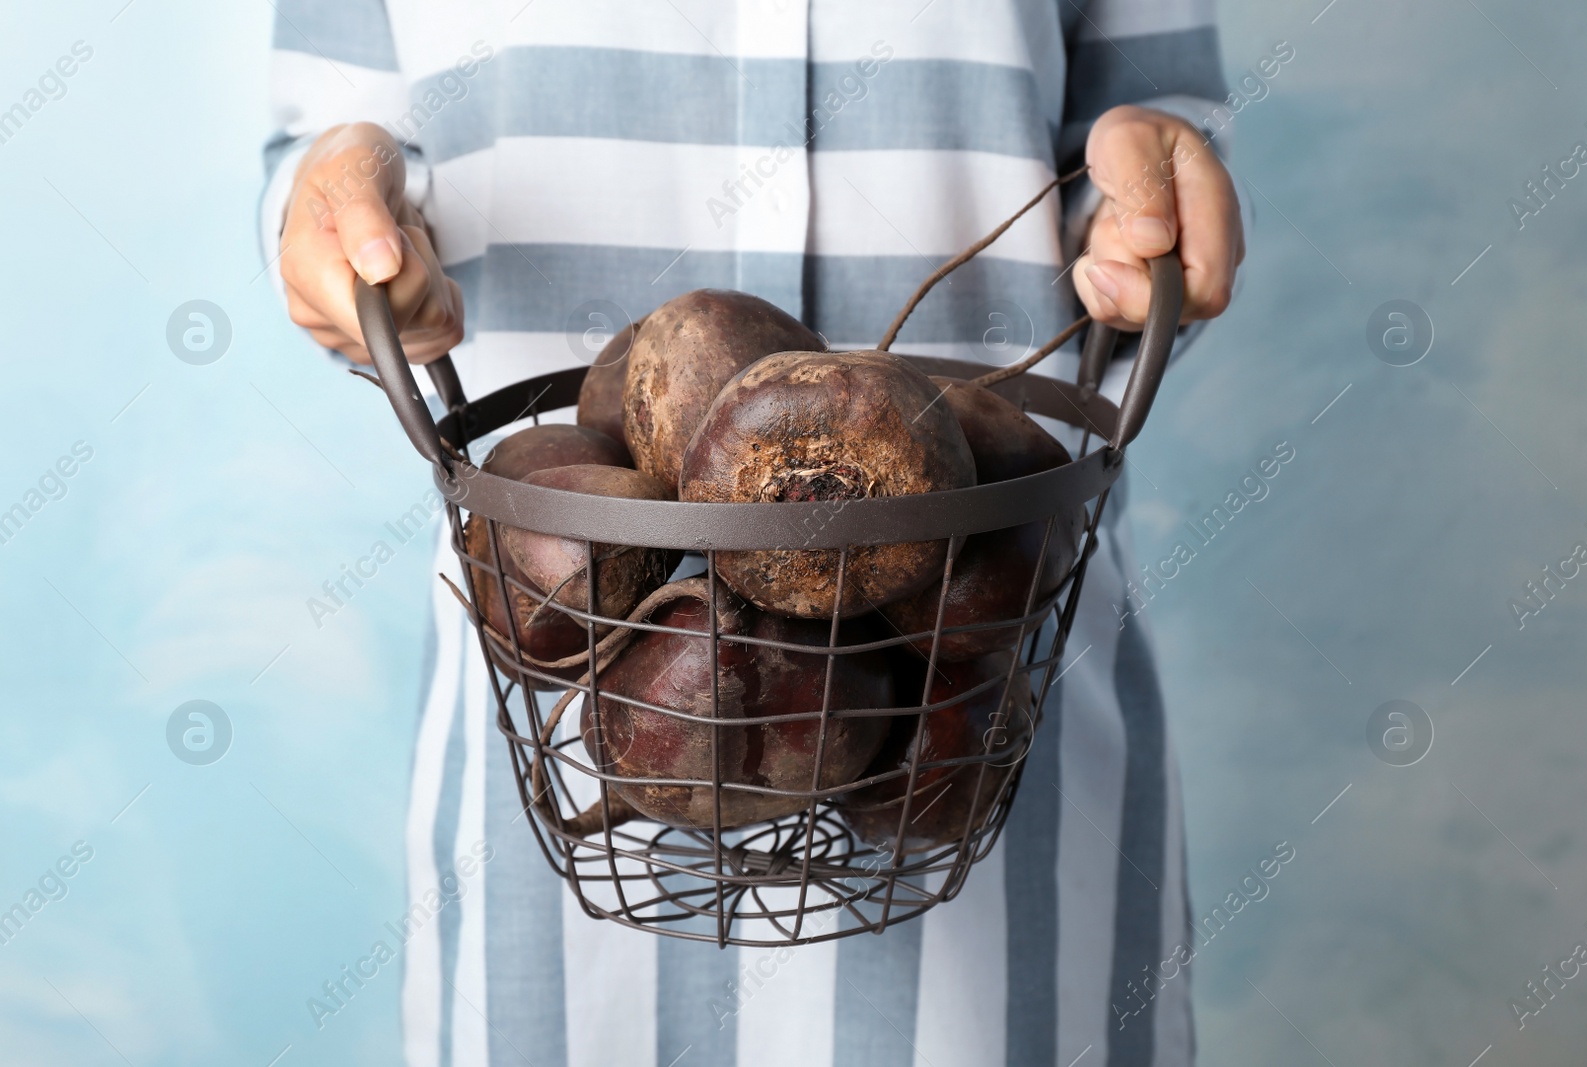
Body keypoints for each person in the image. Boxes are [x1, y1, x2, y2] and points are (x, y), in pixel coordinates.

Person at [263, 3, 1244, 1065]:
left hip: (987, 693)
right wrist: (340, 205)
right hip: (559, 708)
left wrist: (1145, 211)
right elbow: (336, 146)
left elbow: (1143, 148)